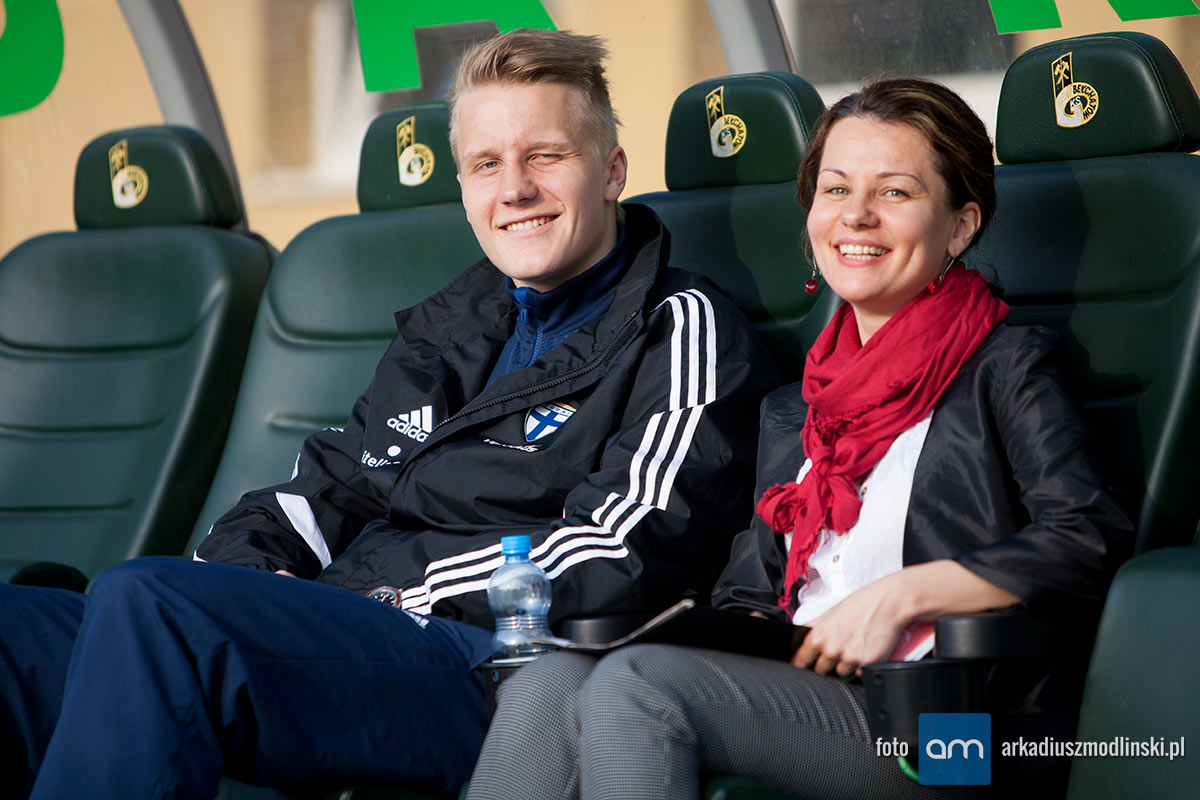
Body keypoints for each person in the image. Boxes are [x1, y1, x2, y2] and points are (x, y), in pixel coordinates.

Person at [0, 30, 778, 799]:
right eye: (486, 164)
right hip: (365, 629)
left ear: (611, 172)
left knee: (151, 605)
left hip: (503, 670)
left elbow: (621, 549)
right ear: (464, 187)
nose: (514, 189)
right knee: (21, 627)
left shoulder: (680, 327)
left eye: (545, 156)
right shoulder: (450, 328)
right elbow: (329, 486)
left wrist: (378, 596)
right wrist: (247, 577)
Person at [466, 78, 1133, 800]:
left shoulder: (1007, 365)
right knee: (549, 680)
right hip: (806, 688)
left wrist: (903, 597)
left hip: (951, 725)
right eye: (836, 190)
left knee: (638, 686)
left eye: (895, 192)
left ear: (960, 226)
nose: (857, 215)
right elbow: (746, 591)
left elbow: (1088, 535)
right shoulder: (797, 407)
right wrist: (734, 626)